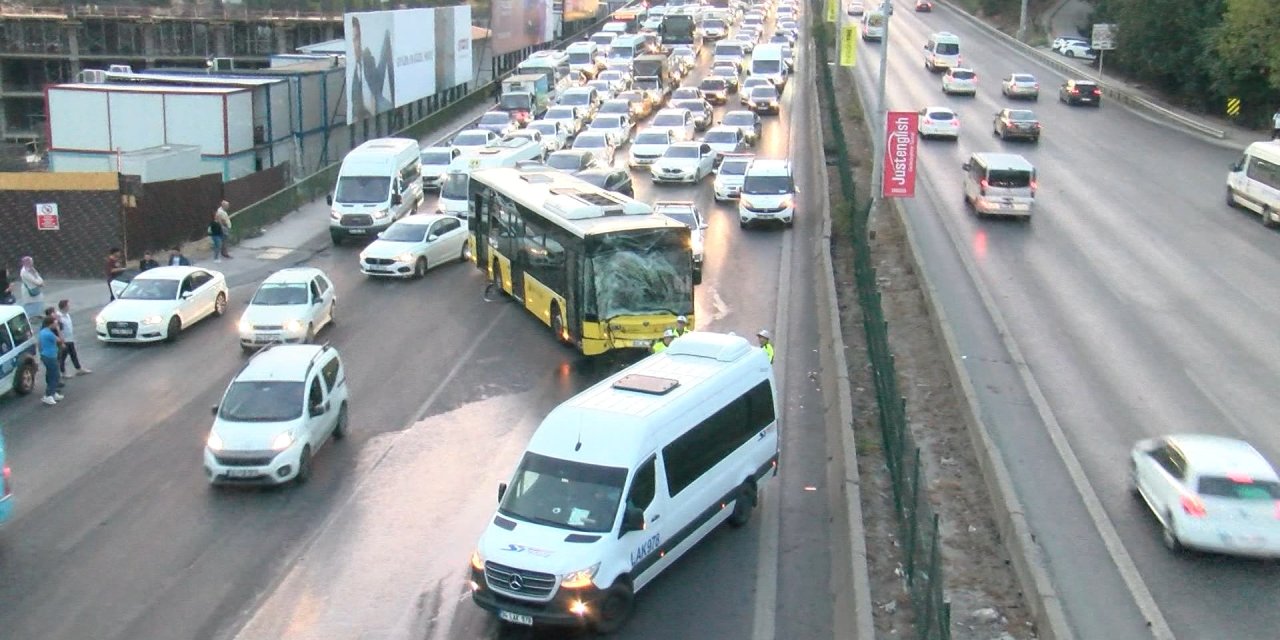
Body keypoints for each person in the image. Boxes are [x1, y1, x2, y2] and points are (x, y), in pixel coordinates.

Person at [56, 299, 90, 378]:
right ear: (64, 307)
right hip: (64, 340)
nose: (69, 307)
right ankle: (63, 372)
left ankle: (78, 368)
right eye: (68, 305)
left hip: (70, 338)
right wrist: (61, 341)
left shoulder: (67, 315)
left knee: (73, 354)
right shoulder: (59, 317)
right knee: (62, 357)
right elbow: (58, 329)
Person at [38, 315, 64, 406]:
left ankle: (53, 393)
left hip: (45, 355)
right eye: (55, 323)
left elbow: (39, 345)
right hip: (51, 356)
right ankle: (48, 395)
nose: (56, 324)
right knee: (55, 375)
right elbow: (60, 340)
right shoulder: (49, 334)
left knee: (50, 374)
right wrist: (58, 329)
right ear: (50, 324)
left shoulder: (42, 332)